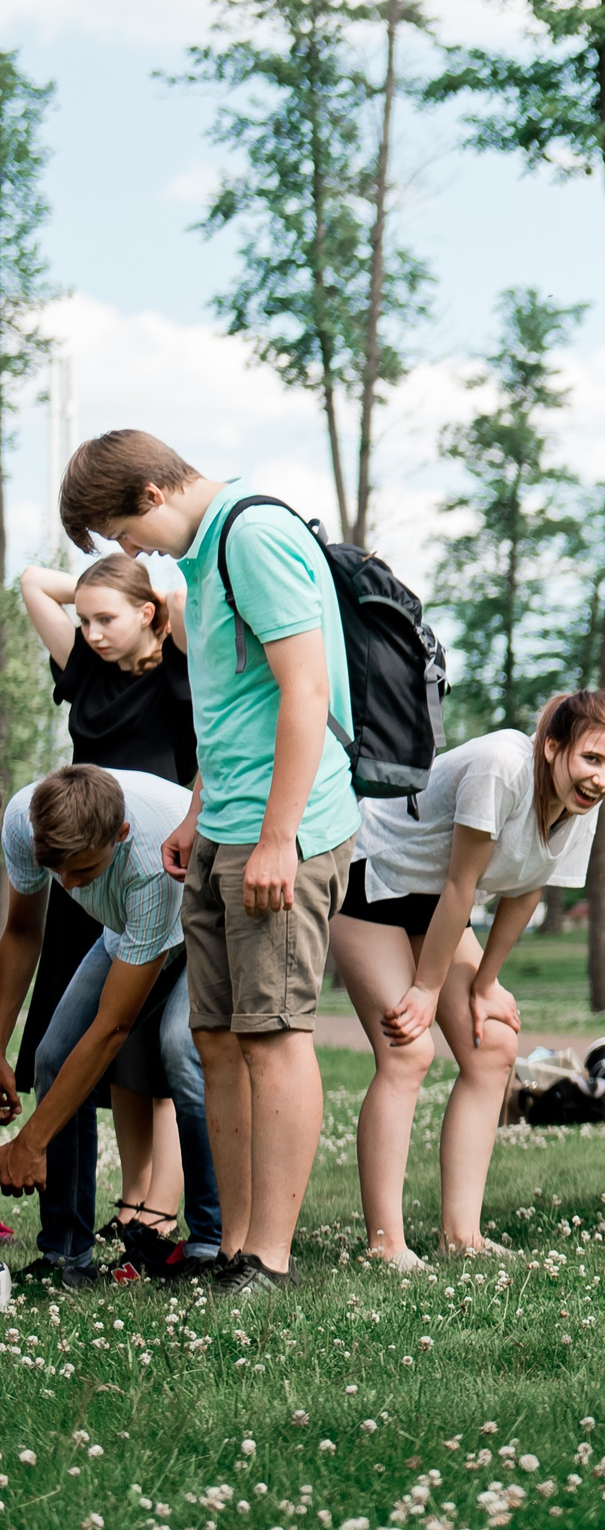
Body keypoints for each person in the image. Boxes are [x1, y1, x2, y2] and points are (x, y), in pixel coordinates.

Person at [63, 430, 360, 1297]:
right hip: (228, 823)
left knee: (272, 1037)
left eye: (122, 530)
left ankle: (270, 1254)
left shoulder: (252, 536)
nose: (129, 552)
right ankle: (231, 1248)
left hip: (285, 828)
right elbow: (238, 707)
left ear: (153, 493)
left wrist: (275, 835)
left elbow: (305, 690)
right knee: (218, 1040)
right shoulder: (204, 553)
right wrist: (200, 811)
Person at [333, 691, 605, 1267]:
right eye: (591, 759)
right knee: (407, 1050)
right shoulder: (502, 766)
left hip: (434, 901)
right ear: (552, 746)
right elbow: (462, 886)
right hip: (372, 874)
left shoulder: (582, 806)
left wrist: (485, 983)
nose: (602, 778)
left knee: (493, 1044)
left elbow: (527, 890)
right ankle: (385, 1245)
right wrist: (425, 990)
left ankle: (460, 1236)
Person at [14, 554, 201, 1262]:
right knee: (89, 1046)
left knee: (157, 1043)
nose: (89, 630)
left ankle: (160, 1203)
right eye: (83, 618)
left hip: (154, 859)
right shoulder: (85, 669)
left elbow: (184, 603)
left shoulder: (181, 665)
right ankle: (118, 1208)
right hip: (79, 867)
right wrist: (101, 591)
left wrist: (152, 592)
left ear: (148, 615)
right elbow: (33, 580)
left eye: (106, 619)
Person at [0, 766, 222, 1288]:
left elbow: (112, 1028)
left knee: (179, 1049)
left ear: (118, 836)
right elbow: (22, 931)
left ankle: (211, 1245)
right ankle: (66, 1256)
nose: (70, 885)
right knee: (51, 1056)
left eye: (83, 870)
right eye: (59, 871)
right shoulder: (22, 822)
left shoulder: (147, 863)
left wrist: (30, 1143)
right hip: (129, 922)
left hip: (205, 914)